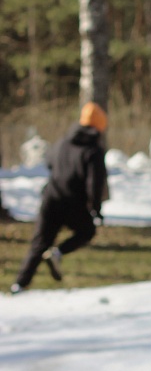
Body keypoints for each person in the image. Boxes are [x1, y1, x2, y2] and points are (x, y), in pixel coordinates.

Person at [11, 103, 109, 294]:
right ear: (99, 126)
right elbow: (94, 184)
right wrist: (96, 209)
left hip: (51, 198)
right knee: (87, 230)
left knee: (39, 243)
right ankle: (57, 253)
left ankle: (19, 284)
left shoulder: (63, 142)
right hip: (73, 203)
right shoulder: (94, 151)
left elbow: (49, 162)